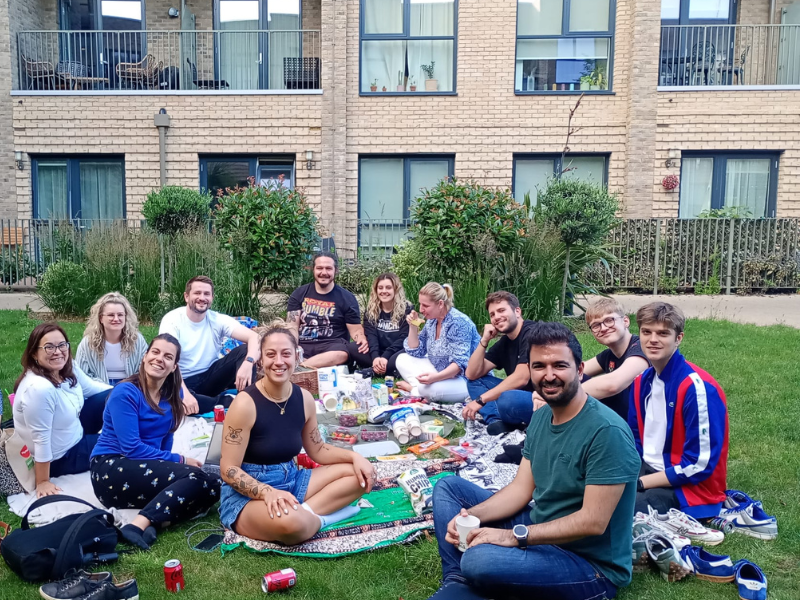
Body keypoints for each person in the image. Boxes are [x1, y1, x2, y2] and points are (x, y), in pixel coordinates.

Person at [428, 322, 641, 600]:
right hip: (541, 526)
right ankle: (458, 581)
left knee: (479, 560)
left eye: (559, 366)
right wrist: (473, 517)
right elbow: (520, 489)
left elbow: (593, 522)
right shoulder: (541, 416)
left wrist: (514, 536)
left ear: (579, 370)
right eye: (539, 366)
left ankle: (469, 576)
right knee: (449, 489)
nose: (549, 375)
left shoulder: (606, 432)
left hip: (588, 564)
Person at [219, 321, 375, 544]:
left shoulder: (304, 398)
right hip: (247, 496)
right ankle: (319, 520)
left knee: (360, 475)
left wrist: (355, 457)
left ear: (297, 357)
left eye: (286, 354)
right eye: (271, 354)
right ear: (261, 360)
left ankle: (306, 513)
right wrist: (266, 492)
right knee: (291, 524)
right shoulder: (245, 404)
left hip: (291, 479)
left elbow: (318, 450)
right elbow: (228, 470)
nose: (279, 361)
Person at [90, 333, 221, 550]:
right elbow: (131, 448)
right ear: (145, 357)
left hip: (142, 472)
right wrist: (179, 460)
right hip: (110, 468)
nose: (160, 359)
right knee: (194, 477)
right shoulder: (126, 392)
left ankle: (158, 521)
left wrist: (170, 465)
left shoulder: (172, 394)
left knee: (213, 484)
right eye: (155, 352)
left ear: (174, 367)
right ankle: (137, 526)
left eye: (168, 357)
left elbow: (165, 440)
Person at [630, 302, 729, 518]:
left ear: (679, 338)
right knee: (583, 490)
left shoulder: (697, 389)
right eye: (646, 332)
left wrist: (638, 483)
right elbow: (634, 441)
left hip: (687, 489)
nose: (653, 340)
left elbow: (698, 464)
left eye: (663, 333)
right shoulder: (640, 383)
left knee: (612, 512)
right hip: (645, 471)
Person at [12, 323, 112, 498]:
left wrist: (128, 391)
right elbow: (41, 439)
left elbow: (92, 388)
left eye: (62, 345)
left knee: (115, 396)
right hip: (62, 455)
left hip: (72, 426)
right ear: (34, 353)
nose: (57, 351)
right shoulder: (39, 389)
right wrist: (42, 481)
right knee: (121, 442)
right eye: (49, 347)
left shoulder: (65, 367)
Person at [159, 276, 260, 416]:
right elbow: (168, 360)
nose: (202, 297)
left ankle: (247, 400)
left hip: (210, 377)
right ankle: (225, 402)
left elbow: (255, 337)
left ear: (212, 298)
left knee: (244, 351)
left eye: (207, 294)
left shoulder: (216, 319)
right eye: (197, 293)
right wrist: (184, 394)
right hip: (180, 380)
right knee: (173, 400)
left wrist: (248, 362)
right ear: (186, 296)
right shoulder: (172, 320)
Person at [463, 291, 539, 435]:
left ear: (517, 311)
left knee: (508, 399)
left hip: (542, 399)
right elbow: (471, 374)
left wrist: (481, 400)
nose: (496, 317)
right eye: (492, 314)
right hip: (522, 396)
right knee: (475, 382)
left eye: (501, 310)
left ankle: (513, 417)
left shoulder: (532, 333)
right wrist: (484, 341)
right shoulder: (505, 342)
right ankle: (497, 421)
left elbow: (522, 377)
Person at [396, 282, 481, 403]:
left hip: (466, 379)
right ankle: (420, 390)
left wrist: (434, 378)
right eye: (420, 304)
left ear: (440, 304)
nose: (421, 309)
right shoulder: (432, 321)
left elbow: (459, 365)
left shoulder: (458, 322)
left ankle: (415, 390)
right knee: (401, 359)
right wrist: (413, 326)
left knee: (428, 389)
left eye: (425, 305)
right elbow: (416, 350)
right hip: (441, 370)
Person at [287, 252, 368, 368]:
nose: (324, 273)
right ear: (313, 270)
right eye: (319, 268)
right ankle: (306, 366)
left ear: (336, 270)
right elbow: (292, 327)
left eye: (328, 268)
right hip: (304, 346)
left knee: (342, 354)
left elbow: (355, 330)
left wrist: (361, 337)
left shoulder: (347, 298)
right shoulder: (299, 294)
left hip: (332, 348)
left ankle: (300, 368)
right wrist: (293, 346)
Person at [580, 298, 650, 420]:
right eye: (596, 325)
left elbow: (613, 384)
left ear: (625, 321)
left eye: (609, 320)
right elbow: (575, 372)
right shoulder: (609, 355)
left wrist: (564, 397)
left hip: (645, 424)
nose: (603, 328)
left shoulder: (642, 348)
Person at [76, 292, 149, 386]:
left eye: (120, 315)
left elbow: (144, 369)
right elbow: (81, 375)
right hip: (98, 389)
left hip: (130, 386)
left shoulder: (137, 340)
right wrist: (106, 388)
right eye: (111, 315)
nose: (116, 319)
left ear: (126, 317)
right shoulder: (87, 343)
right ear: (101, 318)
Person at [348, 272, 412, 379]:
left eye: (388, 288)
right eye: (380, 288)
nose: (384, 291)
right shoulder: (371, 311)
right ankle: (388, 369)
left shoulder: (407, 309)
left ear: (395, 290)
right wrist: (376, 357)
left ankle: (374, 370)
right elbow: (371, 336)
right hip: (377, 351)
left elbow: (404, 338)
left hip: (396, 352)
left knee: (405, 354)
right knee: (352, 347)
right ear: (376, 290)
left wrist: (386, 356)